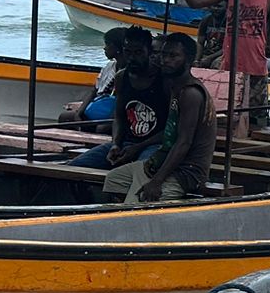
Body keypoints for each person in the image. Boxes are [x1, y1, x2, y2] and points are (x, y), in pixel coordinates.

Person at [104, 32, 214, 203]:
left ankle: (133, 212)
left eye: (173, 56)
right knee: (113, 179)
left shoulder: (190, 93)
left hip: (186, 171)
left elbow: (184, 142)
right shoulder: (175, 87)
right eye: (163, 54)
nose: (165, 60)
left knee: (139, 200)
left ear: (188, 60)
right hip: (162, 162)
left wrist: (156, 181)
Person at [72, 26, 170, 169]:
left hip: (154, 145)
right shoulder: (122, 77)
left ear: (149, 52)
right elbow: (119, 117)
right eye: (128, 52)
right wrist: (115, 144)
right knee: (74, 166)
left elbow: (171, 128)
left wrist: (137, 147)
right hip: (126, 143)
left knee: (140, 171)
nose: (132, 58)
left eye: (138, 52)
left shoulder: (165, 80)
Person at [181, 0, 270, 121]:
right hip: (229, 68)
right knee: (226, 115)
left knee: (256, 117)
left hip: (256, 67)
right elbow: (195, 3)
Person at [61, 27, 128, 123]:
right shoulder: (109, 67)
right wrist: (80, 112)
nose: (104, 48)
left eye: (107, 44)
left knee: (102, 128)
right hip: (99, 107)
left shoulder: (129, 72)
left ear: (117, 48)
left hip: (114, 114)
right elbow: (94, 91)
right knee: (65, 117)